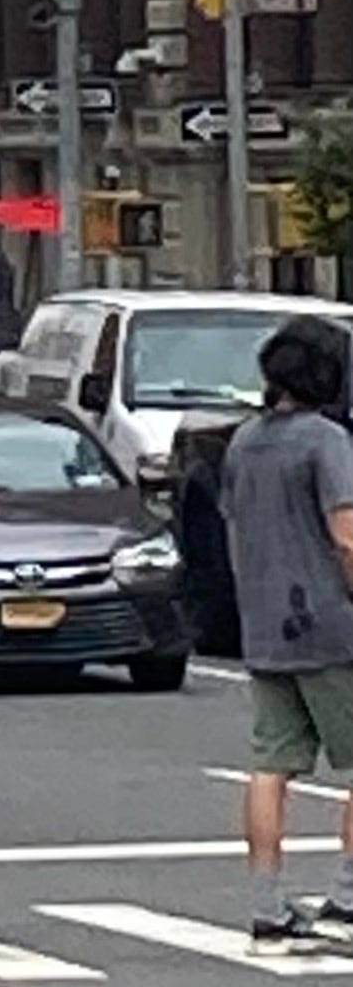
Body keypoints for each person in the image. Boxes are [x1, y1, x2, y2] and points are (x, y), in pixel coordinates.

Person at [218, 317, 353, 944]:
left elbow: (234, 534)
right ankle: (348, 892)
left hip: (266, 622)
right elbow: (347, 535)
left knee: (271, 764)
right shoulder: (324, 441)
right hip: (330, 621)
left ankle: (266, 901)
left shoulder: (245, 441)